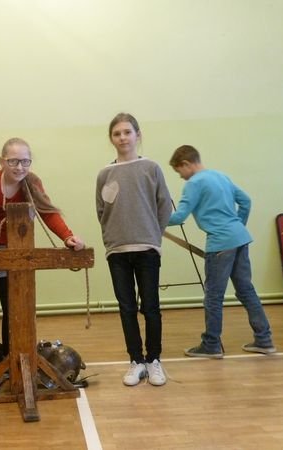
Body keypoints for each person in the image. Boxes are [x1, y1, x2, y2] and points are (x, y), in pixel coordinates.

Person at [0, 137, 85, 391]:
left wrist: (67, 236)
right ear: (2, 161)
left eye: (25, 161)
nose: (19, 167)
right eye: (13, 161)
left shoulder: (32, 183)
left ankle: (9, 358)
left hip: (11, 251)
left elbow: (48, 212)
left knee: (13, 307)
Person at [168, 145, 276, 358]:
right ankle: (264, 341)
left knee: (213, 297)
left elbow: (179, 217)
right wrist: (236, 227)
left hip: (219, 243)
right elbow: (246, 202)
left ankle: (211, 345)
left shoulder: (194, 183)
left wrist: (151, 219)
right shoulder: (221, 176)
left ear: (186, 164)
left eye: (179, 171)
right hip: (240, 238)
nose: (180, 176)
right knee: (246, 291)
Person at [95, 113, 172, 387]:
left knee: (150, 306)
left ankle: (154, 360)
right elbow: (101, 211)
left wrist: (153, 235)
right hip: (117, 251)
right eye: (117, 133)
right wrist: (112, 238)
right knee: (126, 307)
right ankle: (136, 361)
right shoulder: (105, 173)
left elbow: (164, 206)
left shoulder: (151, 168)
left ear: (137, 135)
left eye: (127, 132)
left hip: (147, 249)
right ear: (111, 139)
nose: (122, 137)